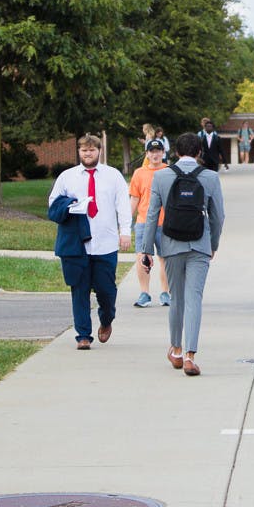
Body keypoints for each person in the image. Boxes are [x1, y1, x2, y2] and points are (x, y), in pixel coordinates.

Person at [143, 133, 225, 376]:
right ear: (200, 152)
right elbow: (218, 216)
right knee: (194, 298)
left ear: (176, 152)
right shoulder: (210, 177)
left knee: (176, 298)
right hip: (199, 244)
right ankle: (191, 355)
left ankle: (176, 350)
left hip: (171, 244)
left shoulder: (161, 176)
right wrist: (213, 244)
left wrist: (147, 249)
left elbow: (151, 215)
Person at [48, 134, 132, 350]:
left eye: (92, 150)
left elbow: (123, 205)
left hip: (105, 242)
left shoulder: (113, 176)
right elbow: (53, 204)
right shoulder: (67, 177)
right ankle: (83, 335)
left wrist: (125, 232)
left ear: (99, 151)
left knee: (106, 291)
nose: (88, 153)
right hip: (77, 244)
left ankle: (106, 320)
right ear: (79, 152)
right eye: (84, 150)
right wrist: (70, 205)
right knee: (79, 289)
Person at [129, 138, 171, 308]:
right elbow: (134, 199)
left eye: (158, 151)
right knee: (142, 258)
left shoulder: (169, 171)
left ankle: (165, 293)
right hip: (143, 222)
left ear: (163, 152)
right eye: (151, 151)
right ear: (147, 154)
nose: (155, 154)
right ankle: (144, 293)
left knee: (165, 258)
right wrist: (124, 225)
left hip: (164, 222)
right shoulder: (139, 173)